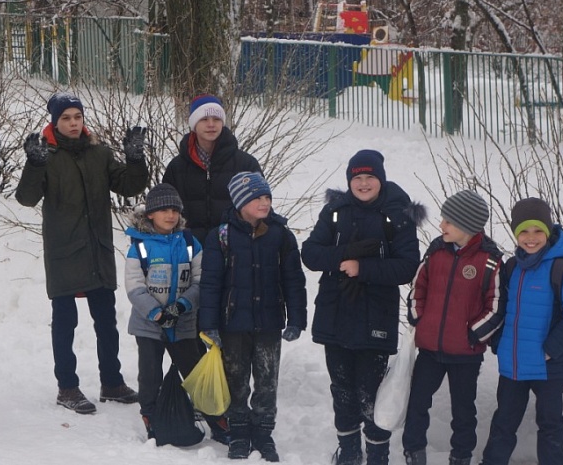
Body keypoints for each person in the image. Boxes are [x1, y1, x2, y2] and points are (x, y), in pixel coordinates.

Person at [16, 92, 147, 414]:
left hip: (97, 248)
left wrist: (134, 157)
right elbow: (26, 198)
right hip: (64, 249)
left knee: (106, 321)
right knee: (65, 322)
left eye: (77, 117)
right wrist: (34, 165)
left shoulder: (99, 154)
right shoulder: (47, 157)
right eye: (66, 118)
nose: (73, 123)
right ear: (55, 122)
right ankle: (68, 387)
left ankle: (112, 382)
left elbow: (130, 186)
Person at [301, 149, 424, 465]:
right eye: (358, 177)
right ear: (350, 180)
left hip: (375, 318)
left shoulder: (398, 214)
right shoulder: (336, 211)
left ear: (380, 180)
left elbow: (407, 266)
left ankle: (378, 454)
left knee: (372, 393)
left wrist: (363, 268)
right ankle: (350, 452)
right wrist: (344, 256)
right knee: (341, 390)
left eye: (370, 177)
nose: (364, 183)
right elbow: (311, 253)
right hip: (335, 316)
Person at [199, 172, 307, 462]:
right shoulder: (220, 236)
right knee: (236, 381)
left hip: (269, 323)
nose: (264, 202)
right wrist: (209, 324)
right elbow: (210, 284)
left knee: (267, 381)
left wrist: (296, 318)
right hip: (232, 324)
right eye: (257, 197)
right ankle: (239, 431)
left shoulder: (280, 235)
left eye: (267, 197)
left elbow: (293, 279)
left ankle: (263, 432)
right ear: (240, 201)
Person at [479, 198, 563, 465]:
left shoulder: (561, 269)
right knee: (503, 424)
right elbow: (500, 308)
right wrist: (499, 342)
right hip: (513, 366)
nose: (531, 238)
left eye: (538, 230)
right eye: (524, 231)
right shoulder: (511, 267)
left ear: (548, 231)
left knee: (550, 427)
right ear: (516, 233)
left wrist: (551, 349)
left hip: (548, 367)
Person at [402, 190, 504, 465]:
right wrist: (418, 318)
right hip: (430, 349)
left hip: (466, 355)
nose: (441, 225)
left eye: (448, 221)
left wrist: (472, 335)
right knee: (417, 402)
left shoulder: (490, 260)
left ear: (468, 226)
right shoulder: (436, 251)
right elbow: (417, 287)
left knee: (463, 410)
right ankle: (414, 452)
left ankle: (461, 456)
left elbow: (495, 307)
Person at [123, 183, 229, 444]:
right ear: (150, 214)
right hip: (149, 325)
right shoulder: (140, 247)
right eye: (163, 210)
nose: (170, 215)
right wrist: (157, 313)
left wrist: (181, 305)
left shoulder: (191, 243)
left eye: (174, 210)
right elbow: (134, 287)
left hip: (183, 322)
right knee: (150, 374)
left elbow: (200, 281)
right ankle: (150, 414)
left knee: (194, 371)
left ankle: (215, 418)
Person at [162, 94, 262, 244]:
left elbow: (260, 207)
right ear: (194, 124)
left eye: (216, 119)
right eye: (204, 119)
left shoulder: (245, 164)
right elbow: (165, 211)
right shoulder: (177, 167)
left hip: (235, 249)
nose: (211, 124)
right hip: (189, 249)